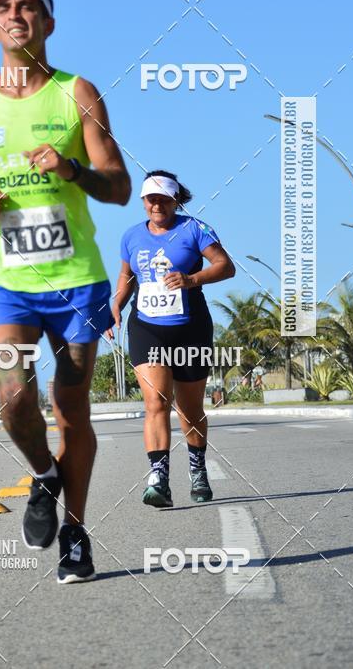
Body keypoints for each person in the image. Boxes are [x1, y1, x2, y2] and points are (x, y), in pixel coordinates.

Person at [0, 0, 130, 583]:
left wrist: (73, 168)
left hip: (75, 278)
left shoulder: (78, 94)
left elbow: (120, 187)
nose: (15, 15)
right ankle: (44, 475)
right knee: (14, 396)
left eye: (27, 6)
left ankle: (76, 533)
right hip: (5, 277)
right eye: (4, 8)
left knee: (70, 405)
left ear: (47, 23)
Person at [108, 170, 235, 508]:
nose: (157, 205)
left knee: (190, 408)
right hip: (147, 326)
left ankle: (197, 470)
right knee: (156, 402)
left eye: (164, 198)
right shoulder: (131, 236)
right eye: (151, 199)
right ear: (144, 202)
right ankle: (159, 479)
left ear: (175, 200)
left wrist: (191, 279)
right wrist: (116, 305)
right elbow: (126, 276)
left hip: (190, 326)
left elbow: (226, 266)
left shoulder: (194, 229)